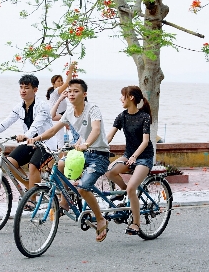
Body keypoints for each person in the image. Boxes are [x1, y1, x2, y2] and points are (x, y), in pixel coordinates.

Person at [28, 76, 111, 242]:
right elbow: (52, 131)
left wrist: (86, 143)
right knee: (60, 165)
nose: (71, 94)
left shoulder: (93, 108)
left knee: (83, 188)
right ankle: (65, 201)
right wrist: (35, 139)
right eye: (70, 91)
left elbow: (95, 129)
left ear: (84, 94)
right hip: (81, 153)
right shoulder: (70, 111)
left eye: (76, 91)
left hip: (99, 155)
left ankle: (101, 218)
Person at [0, 74, 56, 203]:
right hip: (30, 142)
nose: (23, 90)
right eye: (21, 87)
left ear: (35, 90)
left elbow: (35, 125)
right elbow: (6, 123)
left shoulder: (42, 106)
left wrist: (27, 136)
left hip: (46, 144)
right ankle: (32, 188)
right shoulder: (19, 107)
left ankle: (32, 199)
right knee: (9, 162)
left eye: (26, 87)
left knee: (33, 166)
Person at [105, 85, 154, 236]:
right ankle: (123, 193)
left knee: (131, 188)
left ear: (130, 97)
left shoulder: (144, 117)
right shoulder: (122, 116)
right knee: (109, 172)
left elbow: (145, 141)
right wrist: (96, 147)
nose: (121, 99)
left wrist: (134, 157)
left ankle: (136, 224)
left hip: (144, 157)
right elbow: (109, 137)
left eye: (123, 96)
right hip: (128, 155)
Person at [46, 68, 73, 148]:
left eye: (62, 81)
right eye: (58, 81)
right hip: (55, 118)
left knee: (62, 141)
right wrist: (71, 70)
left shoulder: (59, 93)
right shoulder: (56, 91)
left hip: (60, 118)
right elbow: (68, 82)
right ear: (53, 84)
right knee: (60, 141)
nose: (61, 82)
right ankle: (59, 158)